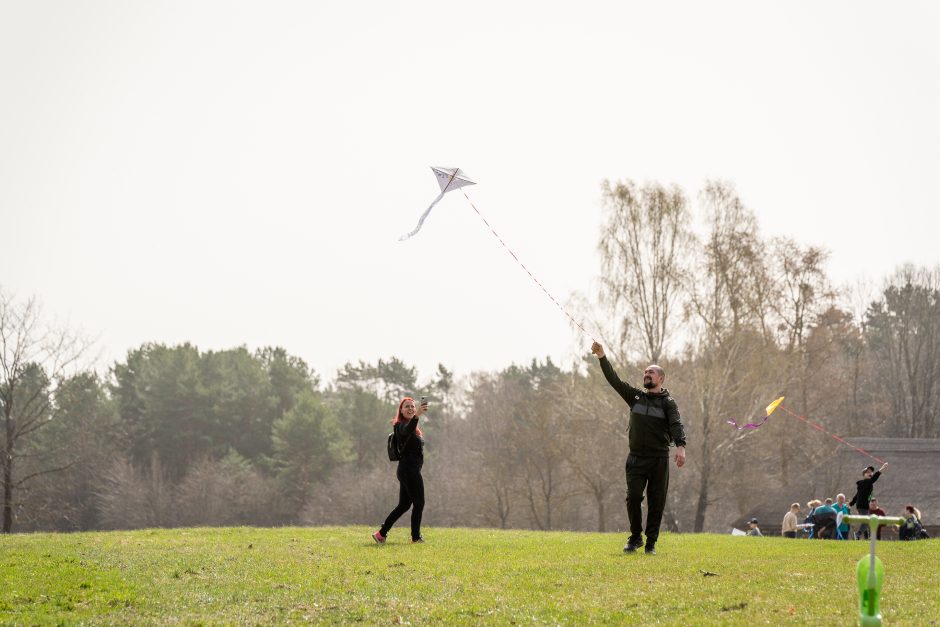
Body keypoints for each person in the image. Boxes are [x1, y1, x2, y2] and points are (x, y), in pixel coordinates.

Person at [591, 341, 686, 556]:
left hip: (659, 459)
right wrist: (602, 356)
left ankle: (651, 542)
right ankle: (635, 537)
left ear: (661, 379)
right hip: (635, 458)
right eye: (645, 372)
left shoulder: (668, 404)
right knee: (633, 496)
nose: (646, 375)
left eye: (651, 373)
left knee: (656, 502)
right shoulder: (635, 397)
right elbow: (613, 379)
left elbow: (676, 425)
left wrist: (680, 447)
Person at [373, 397, 428, 545]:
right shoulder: (399, 426)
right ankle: (416, 538)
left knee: (404, 505)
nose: (410, 408)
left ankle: (381, 534)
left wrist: (415, 419)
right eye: (407, 407)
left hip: (408, 470)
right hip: (409, 470)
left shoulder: (412, 426)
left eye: (412, 406)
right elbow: (405, 432)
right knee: (419, 502)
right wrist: (417, 417)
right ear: (401, 410)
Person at [849, 462, 888, 539]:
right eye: (868, 472)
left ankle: (867, 537)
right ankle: (857, 535)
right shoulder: (866, 482)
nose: (870, 473)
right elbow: (874, 478)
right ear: (864, 475)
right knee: (867, 522)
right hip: (863, 506)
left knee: (867, 521)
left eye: (871, 472)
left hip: (862, 505)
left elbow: (857, 495)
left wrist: (851, 503)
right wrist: (882, 468)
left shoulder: (864, 484)